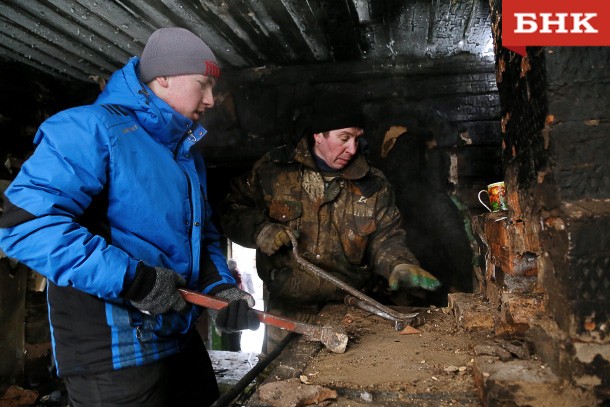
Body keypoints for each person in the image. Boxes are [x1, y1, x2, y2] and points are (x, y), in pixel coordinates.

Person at [0, 27, 259, 407]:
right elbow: (24, 225)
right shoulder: (90, 128)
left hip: (177, 336)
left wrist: (219, 289)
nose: (211, 99)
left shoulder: (185, 155)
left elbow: (200, 238)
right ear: (164, 77)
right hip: (113, 352)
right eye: (203, 84)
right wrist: (132, 280)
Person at [219, 93, 441, 353]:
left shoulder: (373, 185)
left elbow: (386, 238)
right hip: (285, 318)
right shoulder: (273, 170)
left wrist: (398, 263)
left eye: (357, 138)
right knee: (279, 387)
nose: (353, 149)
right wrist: (260, 229)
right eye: (344, 138)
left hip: (351, 317)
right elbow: (232, 207)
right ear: (318, 135)